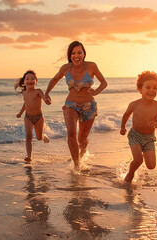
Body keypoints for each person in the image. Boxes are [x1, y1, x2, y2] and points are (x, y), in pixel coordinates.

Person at [44, 41, 107, 170]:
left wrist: (96, 91)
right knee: (71, 132)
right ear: (70, 55)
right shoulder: (65, 68)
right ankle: (77, 165)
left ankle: (81, 155)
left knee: (82, 139)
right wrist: (46, 93)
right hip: (70, 105)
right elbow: (54, 79)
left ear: (84, 54)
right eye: (73, 53)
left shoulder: (91, 66)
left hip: (89, 106)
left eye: (79, 52)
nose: (76, 55)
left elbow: (104, 82)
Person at [120, 71, 157, 183]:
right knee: (138, 160)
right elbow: (126, 114)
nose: (152, 90)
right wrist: (122, 127)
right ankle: (130, 173)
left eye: (155, 88)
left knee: (151, 166)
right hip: (135, 136)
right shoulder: (134, 104)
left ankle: (139, 160)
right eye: (148, 87)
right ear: (140, 89)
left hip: (149, 138)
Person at [15, 70, 50, 162]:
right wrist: (20, 113)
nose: (30, 80)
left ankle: (42, 136)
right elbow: (25, 104)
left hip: (39, 118)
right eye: (27, 79)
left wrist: (47, 100)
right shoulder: (24, 93)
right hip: (28, 117)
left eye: (32, 78)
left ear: (36, 81)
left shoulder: (38, 91)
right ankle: (29, 156)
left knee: (38, 138)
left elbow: (44, 98)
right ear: (24, 82)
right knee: (28, 136)